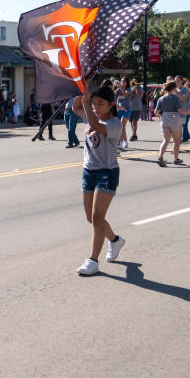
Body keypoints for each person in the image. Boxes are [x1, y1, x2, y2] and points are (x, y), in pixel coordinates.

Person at [76, 86, 124, 276]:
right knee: (91, 217)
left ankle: (93, 260)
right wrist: (79, 88)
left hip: (107, 172)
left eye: (100, 104)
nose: (96, 107)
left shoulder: (114, 124)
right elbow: (75, 109)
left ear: (112, 104)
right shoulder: (91, 115)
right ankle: (114, 240)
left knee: (97, 217)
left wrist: (86, 102)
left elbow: (96, 126)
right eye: (94, 104)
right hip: (89, 171)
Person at [155, 81, 189, 167]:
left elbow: (156, 112)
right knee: (176, 141)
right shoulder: (175, 98)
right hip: (174, 118)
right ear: (174, 88)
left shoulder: (161, 98)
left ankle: (160, 157)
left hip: (165, 118)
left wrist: (161, 117)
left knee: (166, 140)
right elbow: (181, 111)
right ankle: (176, 159)